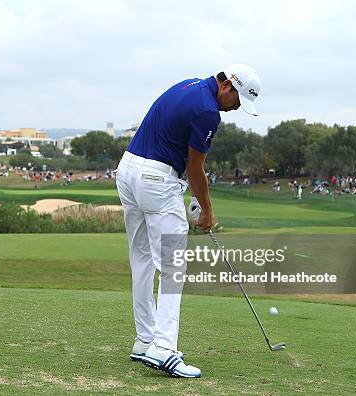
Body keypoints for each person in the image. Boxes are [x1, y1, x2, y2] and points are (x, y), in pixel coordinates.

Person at [116, 64, 261, 378]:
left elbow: (181, 152)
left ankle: (144, 340)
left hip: (127, 170)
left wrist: (194, 195)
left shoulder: (190, 85)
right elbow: (195, 168)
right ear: (228, 86)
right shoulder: (209, 111)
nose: (235, 108)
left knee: (141, 261)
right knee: (172, 267)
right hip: (155, 178)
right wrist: (207, 209)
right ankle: (164, 349)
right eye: (238, 101)